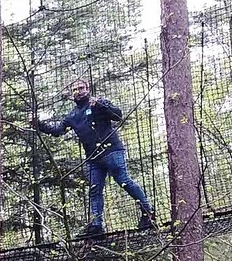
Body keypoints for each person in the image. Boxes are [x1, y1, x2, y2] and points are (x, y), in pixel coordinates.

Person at [31, 79, 155, 237]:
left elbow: (118, 115)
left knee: (124, 181)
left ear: (87, 88)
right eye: (75, 89)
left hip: (112, 151)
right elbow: (57, 131)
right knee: (95, 190)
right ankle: (96, 226)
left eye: (81, 88)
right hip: (93, 158)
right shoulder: (72, 115)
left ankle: (148, 213)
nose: (79, 91)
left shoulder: (97, 103)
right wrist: (38, 124)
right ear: (71, 93)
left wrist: (102, 105)